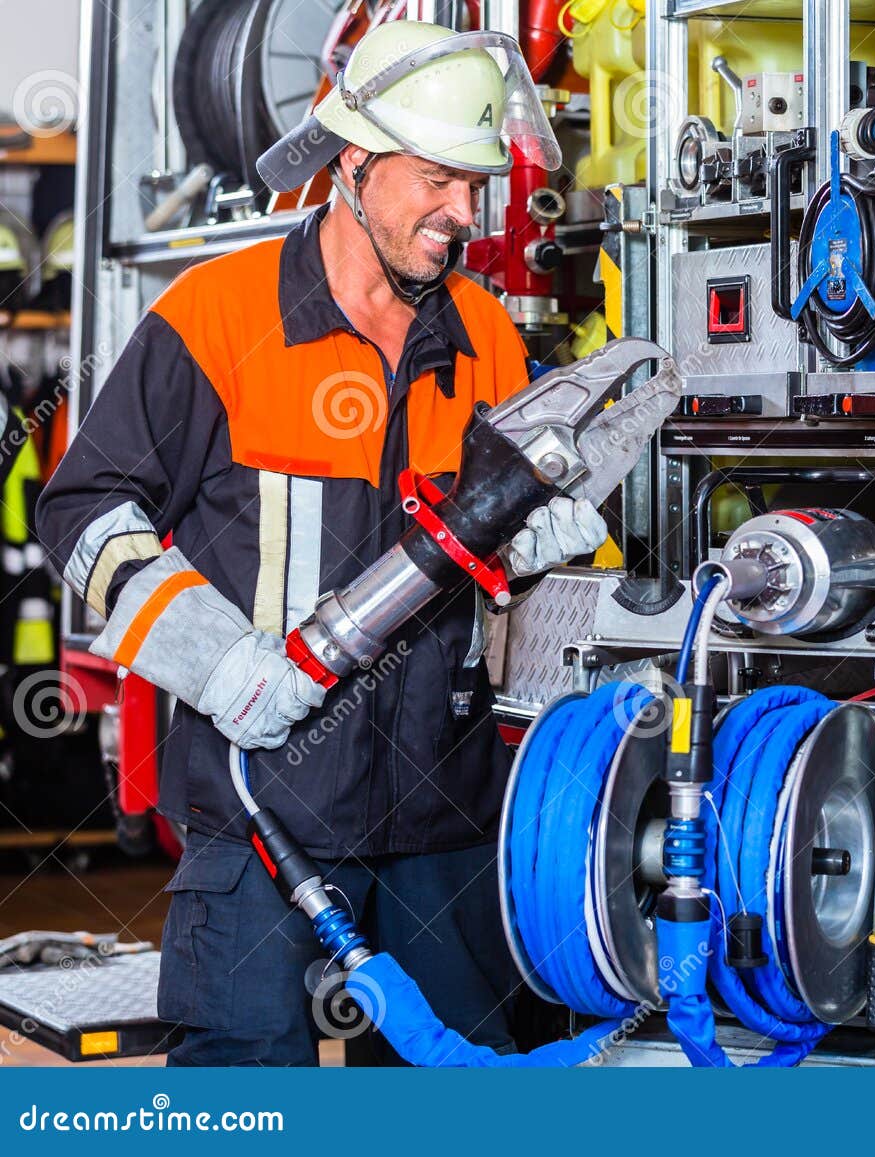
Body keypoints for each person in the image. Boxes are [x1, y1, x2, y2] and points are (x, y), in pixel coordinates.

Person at [36, 21, 603, 1066]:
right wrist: (218, 660)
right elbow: (82, 513)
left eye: (476, 184)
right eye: (436, 177)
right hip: (263, 815)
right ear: (354, 161)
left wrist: (545, 552)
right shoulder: (218, 316)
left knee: (465, 1095)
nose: (463, 215)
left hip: (447, 822)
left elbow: (501, 552)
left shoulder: (484, 334)